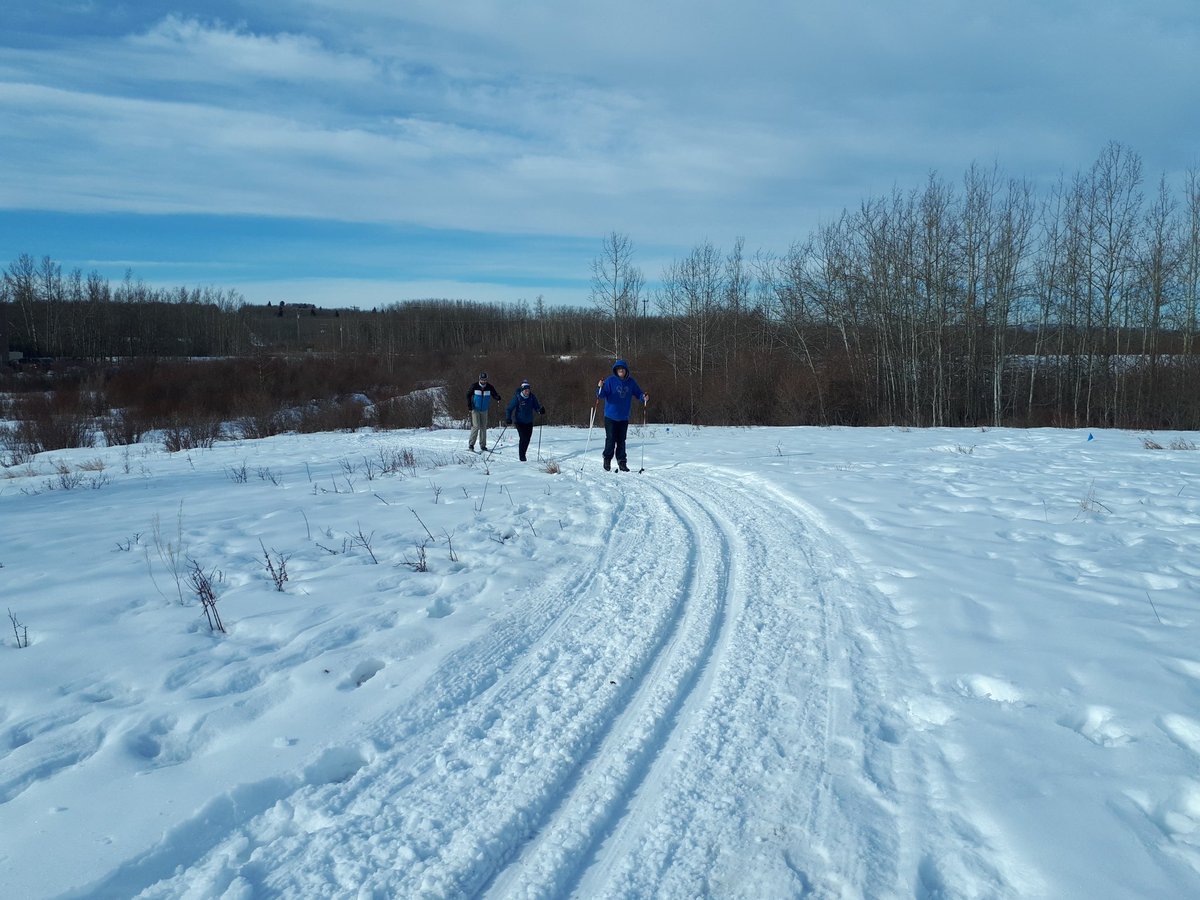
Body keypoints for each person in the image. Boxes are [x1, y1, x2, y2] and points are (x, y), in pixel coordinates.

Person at [596, 359, 648, 471]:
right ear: (616, 370)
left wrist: (643, 397)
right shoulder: (610, 381)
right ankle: (607, 459)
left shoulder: (631, 382)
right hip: (610, 416)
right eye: (619, 369)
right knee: (610, 439)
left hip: (624, 417)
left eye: (623, 369)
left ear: (626, 370)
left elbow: (638, 393)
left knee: (621, 440)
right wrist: (599, 387)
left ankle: (622, 462)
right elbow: (601, 395)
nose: (621, 371)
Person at [504, 380, 546, 462]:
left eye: (528, 390)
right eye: (526, 390)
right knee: (523, 438)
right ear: (522, 390)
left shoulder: (532, 397)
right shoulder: (517, 397)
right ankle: (522, 457)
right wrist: (508, 418)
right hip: (519, 421)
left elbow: (536, 406)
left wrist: (540, 410)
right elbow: (509, 409)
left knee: (527, 439)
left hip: (529, 421)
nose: (527, 392)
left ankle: (523, 454)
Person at [465, 371, 502, 452]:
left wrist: (497, 397)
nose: (483, 381)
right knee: (476, 426)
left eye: (485, 379)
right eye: (482, 379)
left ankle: (483, 445)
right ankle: (471, 445)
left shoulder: (490, 387)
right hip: (475, 409)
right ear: (479, 379)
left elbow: (494, 394)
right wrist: (469, 406)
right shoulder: (474, 386)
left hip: (484, 410)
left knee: (483, 427)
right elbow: (468, 395)